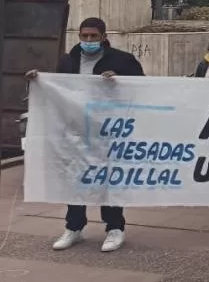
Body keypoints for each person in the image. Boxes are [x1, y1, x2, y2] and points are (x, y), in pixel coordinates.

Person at [25, 17, 144, 253]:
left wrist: (119, 82)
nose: (88, 40)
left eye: (93, 36)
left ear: (103, 37)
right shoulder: (68, 61)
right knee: (75, 179)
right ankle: (74, 227)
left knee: (108, 180)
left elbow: (140, 88)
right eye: (84, 36)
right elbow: (58, 90)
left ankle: (114, 228)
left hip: (109, 131)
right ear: (79, 36)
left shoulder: (122, 60)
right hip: (76, 132)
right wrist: (38, 81)